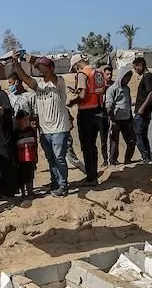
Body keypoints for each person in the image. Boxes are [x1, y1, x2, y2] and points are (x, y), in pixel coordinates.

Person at [12, 55, 72, 196]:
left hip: (59, 128)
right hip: (45, 130)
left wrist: (32, 60)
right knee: (51, 159)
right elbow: (25, 78)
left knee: (59, 158)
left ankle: (63, 185)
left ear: (51, 68)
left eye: (44, 66)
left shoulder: (58, 82)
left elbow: (48, 74)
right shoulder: (39, 85)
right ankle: (55, 183)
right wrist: (16, 64)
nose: (40, 69)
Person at [69, 54, 107, 185]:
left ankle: (91, 177)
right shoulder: (98, 72)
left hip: (86, 113)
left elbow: (83, 95)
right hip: (99, 109)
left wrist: (73, 101)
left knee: (87, 146)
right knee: (93, 146)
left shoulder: (82, 74)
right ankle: (93, 174)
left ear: (76, 64)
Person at [105, 70, 137, 165]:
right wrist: (113, 120)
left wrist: (131, 117)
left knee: (131, 140)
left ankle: (128, 159)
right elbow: (109, 106)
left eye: (129, 79)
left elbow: (128, 103)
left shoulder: (127, 89)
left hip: (127, 119)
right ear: (121, 77)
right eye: (126, 78)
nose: (127, 80)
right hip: (116, 119)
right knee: (114, 141)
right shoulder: (112, 89)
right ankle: (113, 161)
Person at [131, 57, 152, 163]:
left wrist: (142, 107)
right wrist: (136, 103)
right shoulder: (147, 77)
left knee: (137, 134)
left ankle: (145, 156)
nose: (135, 70)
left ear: (141, 65)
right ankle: (147, 156)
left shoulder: (147, 77)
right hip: (142, 110)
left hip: (142, 112)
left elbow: (150, 93)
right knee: (142, 134)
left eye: (135, 68)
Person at [12, 110, 39, 198]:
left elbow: (35, 143)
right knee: (22, 176)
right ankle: (23, 193)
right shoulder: (16, 133)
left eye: (27, 119)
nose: (27, 121)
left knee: (30, 175)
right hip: (21, 159)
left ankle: (30, 192)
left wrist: (36, 156)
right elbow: (14, 147)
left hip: (30, 158)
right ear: (18, 120)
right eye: (24, 119)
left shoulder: (31, 130)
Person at [99, 66, 114, 167]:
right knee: (103, 139)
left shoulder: (114, 85)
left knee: (113, 137)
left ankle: (113, 158)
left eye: (110, 74)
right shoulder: (100, 85)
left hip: (112, 113)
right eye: (107, 74)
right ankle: (105, 159)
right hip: (102, 113)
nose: (109, 76)